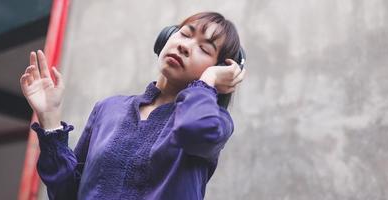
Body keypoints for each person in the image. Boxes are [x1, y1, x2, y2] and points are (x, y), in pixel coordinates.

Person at [19, 12, 246, 200]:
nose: (185, 47)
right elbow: (67, 193)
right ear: (166, 37)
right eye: (185, 34)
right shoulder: (109, 109)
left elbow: (193, 130)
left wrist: (206, 84)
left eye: (205, 49)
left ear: (220, 70)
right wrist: (49, 118)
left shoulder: (214, 121)